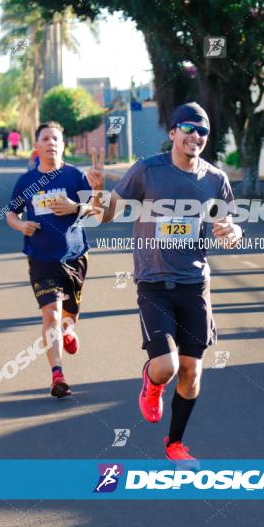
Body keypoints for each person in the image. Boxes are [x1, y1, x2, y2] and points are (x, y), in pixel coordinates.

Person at [87, 102, 243, 462]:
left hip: (194, 285)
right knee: (166, 367)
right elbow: (105, 215)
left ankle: (174, 444)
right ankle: (151, 381)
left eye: (202, 130)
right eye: (188, 127)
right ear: (172, 133)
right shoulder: (147, 170)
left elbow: (229, 227)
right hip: (154, 282)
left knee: (191, 372)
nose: (195, 135)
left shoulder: (214, 179)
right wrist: (96, 191)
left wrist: (232, 231)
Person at [6, 121, 94, 398]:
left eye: (55, 138)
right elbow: (11, 213)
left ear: (62, 144)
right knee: (51, 314)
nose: (51, 142)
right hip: (41, 259)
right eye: (45, 138)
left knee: (69, 317)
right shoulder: (27, 181)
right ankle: (57, 375)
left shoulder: (75, 176)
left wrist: (75, 207)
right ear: (37, 145)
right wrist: (21, 226)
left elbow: (96, 209)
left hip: (74, 257)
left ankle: (67, 330)